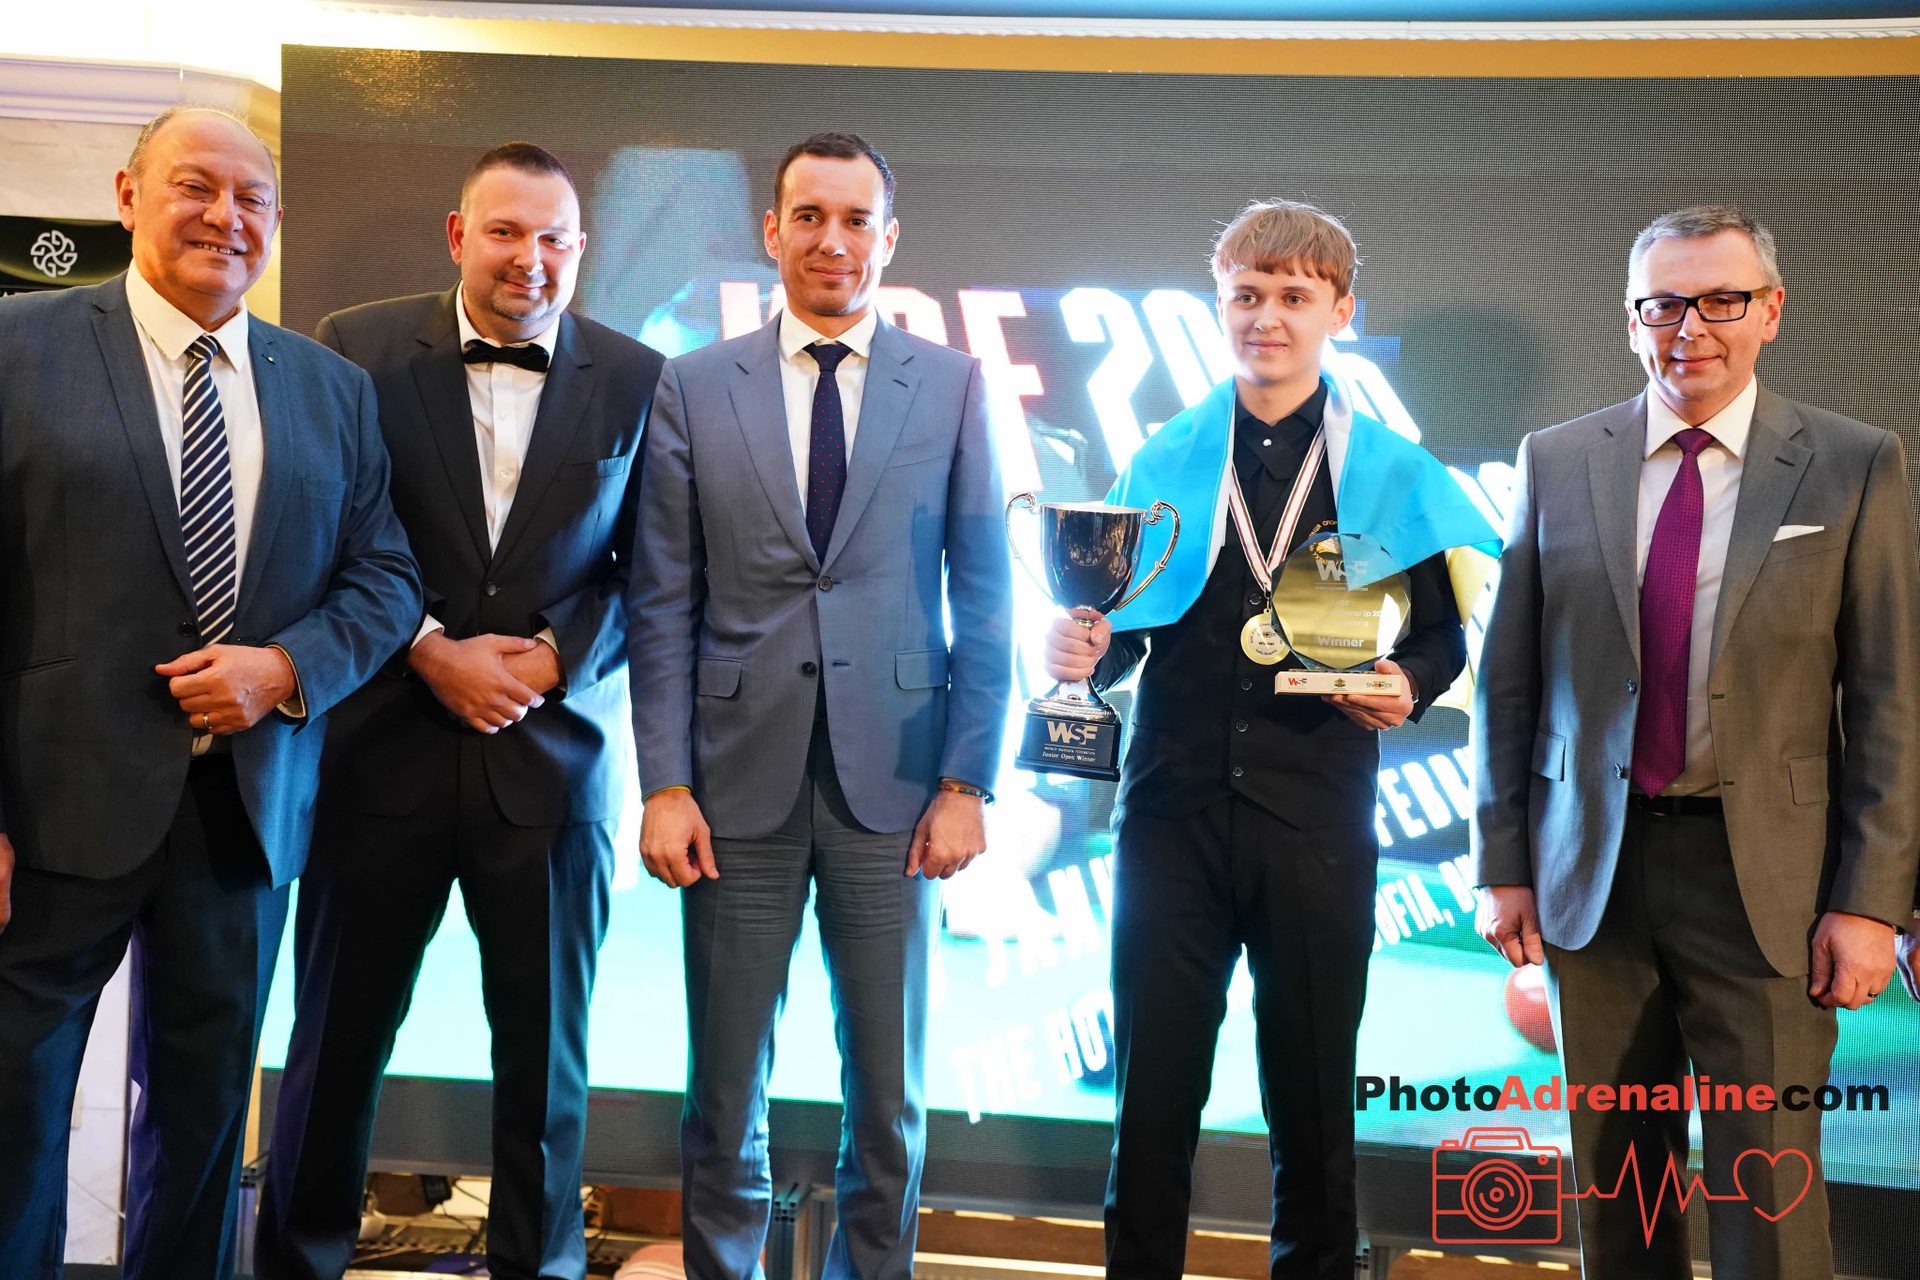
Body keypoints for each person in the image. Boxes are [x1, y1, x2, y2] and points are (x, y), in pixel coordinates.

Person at [0, 107, 420, 1278]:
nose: (225, 216)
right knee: (14, 1112)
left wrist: (284, 669)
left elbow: (387, 578)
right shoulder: (18, 345)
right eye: (196, 186)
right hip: (48, 815)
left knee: (200, 1127)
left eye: (251, 198)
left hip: (244, 818)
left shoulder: (331, 387)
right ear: (127, 195)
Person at [1043, 200, 1496, 1279]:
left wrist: (1408, 683)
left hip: (1316, 822)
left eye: (1294, 295)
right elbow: (1122, 635)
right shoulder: (1163, 458)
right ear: (1220, 305)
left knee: (1313, 1111)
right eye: (1247, 294)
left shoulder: (1389, 470)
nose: (1268, 317)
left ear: (1342, 309)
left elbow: (1440, 634)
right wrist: (1084, 646)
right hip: (1170, 820)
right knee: (1150, 1109)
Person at [1472, 205, 1920, 1280]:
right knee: (1617, 1196)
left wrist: (1873, 904)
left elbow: (1892, 697)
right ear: (1631, 318)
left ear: (1771, 310)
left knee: (1771, 1198)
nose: (1692, 328)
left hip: (1769, 886)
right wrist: (1502, 864)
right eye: (1664, 304)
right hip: (1593, 876)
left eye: (1722, 300)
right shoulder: (1556, 459)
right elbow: (1509, 682)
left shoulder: (1854, 463)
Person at [256, 142, 664, 1280]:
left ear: (580, 249)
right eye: (505, 232)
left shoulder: (640, 375)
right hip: (375, 759)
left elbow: (654, 566)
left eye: (554, 238)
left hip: (553, 771)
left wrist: (552, 660)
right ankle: (296, 1264)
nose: (530, 258)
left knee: (547, 1068)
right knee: (334, 1049)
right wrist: (429, 650)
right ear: (457, 235)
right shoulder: (356, 346)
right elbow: (318, 535)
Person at [627, 131, 1012, 1279]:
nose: (831, 239)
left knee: (888, 1101)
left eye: (855, 219)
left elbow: (986, 593)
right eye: (809, 215)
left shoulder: (951, 384)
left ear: (888, 239)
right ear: (772, 230)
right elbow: (663, 598)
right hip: (729, 793)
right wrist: (664, 782)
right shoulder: (695, 384)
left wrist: (967, 780)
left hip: (897, 791)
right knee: (721, 1096)